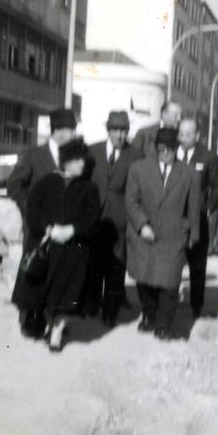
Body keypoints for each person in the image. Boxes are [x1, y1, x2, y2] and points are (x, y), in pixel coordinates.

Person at [11, 138, 101, 352]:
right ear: (66, 161)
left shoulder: (89, 189)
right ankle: (45, 323)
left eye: (83, 160)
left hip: (72, 252)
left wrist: (72, 230)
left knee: (67, 293)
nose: (82, 164)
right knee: (42, 291)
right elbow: (33, 208)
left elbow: (92, 217)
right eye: (77, 160)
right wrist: (48, 228)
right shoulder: (47, 182)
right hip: (48, 248)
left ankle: (58, 331)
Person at [125, 126, 201, 339]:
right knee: (145, 279)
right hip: (144, 235)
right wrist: (142, 225)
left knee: (169, 283)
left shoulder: (189, 174)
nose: (164, 153)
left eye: (169, 149)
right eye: (160, 149)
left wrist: (193, 234)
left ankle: (163, 325)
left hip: (173, 236)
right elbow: (131, 202)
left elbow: (194, 207)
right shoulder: (138, 169)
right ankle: (148, 316)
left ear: (177, 148)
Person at [8, 107, 78, 338]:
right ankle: (30, 316)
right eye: (64, 129)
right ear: (54, 130)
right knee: (35, 267)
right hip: (39, 225)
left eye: (71, 129)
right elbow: (14, 185)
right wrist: (31, 210)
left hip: (63, 226)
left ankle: (56, 318)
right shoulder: (35, 156)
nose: (68, 134)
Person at [86, 110, 142, 325]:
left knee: (116, 267)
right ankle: (92, 303)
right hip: (94, 219)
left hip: (120, 220)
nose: (120, 135)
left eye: (124, 131)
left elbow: (138, 191)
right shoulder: (92, 151)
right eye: (115, 130)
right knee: (94, 262)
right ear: (107, 130)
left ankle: (111, 311)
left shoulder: (135, 155)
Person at [176, 116, 218, 319]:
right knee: (172, 261)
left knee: (197, 265)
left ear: (197, 136)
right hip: (175, 219)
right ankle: (170, 301)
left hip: (198, 220)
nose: (183, 138)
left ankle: (196, 305)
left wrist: (207, 209)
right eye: (181, 133)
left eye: (188, 134)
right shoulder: (172, 154)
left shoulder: (208, 156)